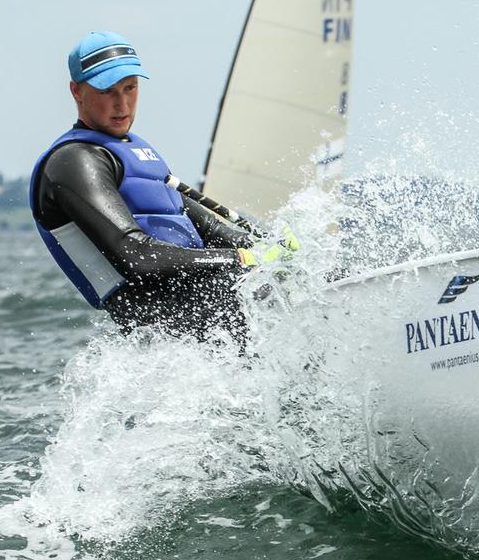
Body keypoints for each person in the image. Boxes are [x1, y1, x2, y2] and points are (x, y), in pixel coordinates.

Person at [30, 30, 293, 342]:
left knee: (293, 277)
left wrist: (269, 250)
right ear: (76, 91)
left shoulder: (139, 156)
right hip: (163, 324)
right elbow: (136, 256)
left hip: (209, 299)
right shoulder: (74, 162)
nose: (121, 103)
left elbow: (209, 228)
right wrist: (239, 259)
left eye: (130, 88)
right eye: (107, 91)